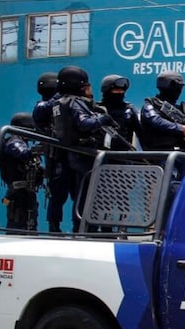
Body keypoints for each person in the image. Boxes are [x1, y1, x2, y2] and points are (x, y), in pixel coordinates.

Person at [52, 65, 117, 232]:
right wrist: (104, 119)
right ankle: (88, 229)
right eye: (86, 86)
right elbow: (84, 123)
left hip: (76, 155)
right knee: (92, 195)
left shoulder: (59, 103)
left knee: (85, 195)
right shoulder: (75, 103)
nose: (89, 89)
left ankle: (84, 228)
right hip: (83, 156)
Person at [32, 71, 75, 233]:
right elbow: (43, 113)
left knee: (76, 193)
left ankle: (77, 227)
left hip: (71, 155)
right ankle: (54, 226)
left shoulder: (67, 103)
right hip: (56, 156)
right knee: (58, 194)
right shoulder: (44, 106)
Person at [140, 71, 185, 179]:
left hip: (181, 157)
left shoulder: (180, 109)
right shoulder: (151, 104)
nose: (179, 91)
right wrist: (181, 129)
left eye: (180, 87)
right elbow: (155, 121)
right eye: (176, 87)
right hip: (160, 157)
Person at [0, 113, 44, 232]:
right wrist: (41, 147)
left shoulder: (20, 141)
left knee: (30, 226)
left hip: (25, 194)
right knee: (19, 226)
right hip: (18, 195)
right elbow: (23, 153)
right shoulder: (13, 141)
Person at [97, 74, 141, 151]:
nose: (120, 92)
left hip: (123, 156)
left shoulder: (129, 110)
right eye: (116, 90)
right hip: (99, 155)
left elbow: (141, 134)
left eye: (122, 90)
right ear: (107, 90)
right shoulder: (97, 109)